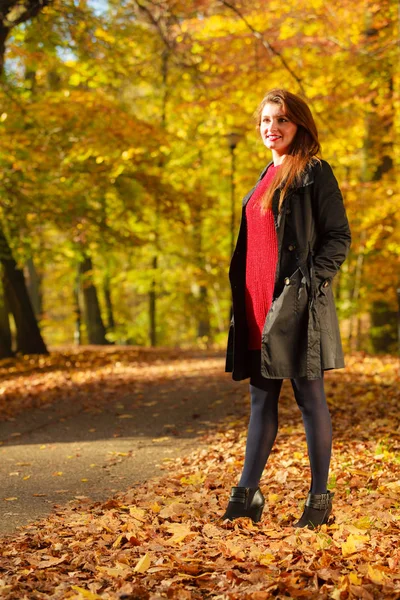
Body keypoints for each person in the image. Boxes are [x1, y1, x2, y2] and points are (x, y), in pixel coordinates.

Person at [222, 89, 351, 529]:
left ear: (299, 126)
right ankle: (246, 494)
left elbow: (338, 238)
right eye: (265, 120)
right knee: (261, 402)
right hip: (257, 307)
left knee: (310, 400)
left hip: (295, 307)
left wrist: (307, 285)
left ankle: (318, 501)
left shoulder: (313, 172)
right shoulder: (264, 175)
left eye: (281, 120)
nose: (271, 128)